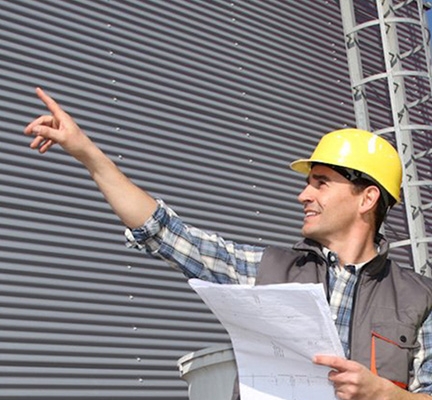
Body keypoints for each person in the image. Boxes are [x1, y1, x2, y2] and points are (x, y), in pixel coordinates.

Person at [24, 87, 432, 400]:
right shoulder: (266, 270)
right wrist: (87, 154)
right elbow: (166, 233)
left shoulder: (420, 299)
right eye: (307, 183)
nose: (303, 196)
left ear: (368, 198)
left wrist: (383, 393)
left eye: (320, 183)